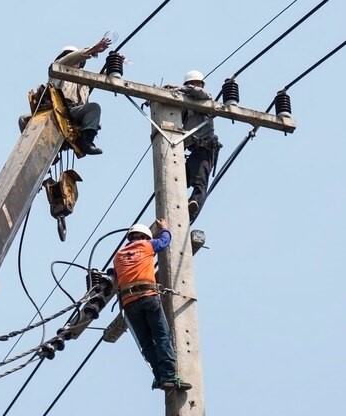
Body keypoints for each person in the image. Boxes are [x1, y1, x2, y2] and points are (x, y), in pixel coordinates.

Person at [113, 219, 192, 391]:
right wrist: (164, 228)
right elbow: (164, 242)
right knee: (162, 336)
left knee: (147, 343)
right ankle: (169, 375)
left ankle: (159, 376)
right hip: (147, 296)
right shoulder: (146, 245)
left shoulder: (118, 256)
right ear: (144, 236)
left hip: (129, 303)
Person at [19, 37, 112, 155]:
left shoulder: (85, 78)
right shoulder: (58, 67)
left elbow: (104, 78)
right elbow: (70, 58)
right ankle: (37, 149)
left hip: (74, 113)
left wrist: (114, 63)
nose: (74, 59)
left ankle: (86, 142)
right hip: (56, 110)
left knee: (94, 108)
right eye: (69, 56)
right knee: (23, 119)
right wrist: (93, 50)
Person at [171, 70, 222, 220]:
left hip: (205, 150)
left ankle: (193, 206)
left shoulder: (205, 99)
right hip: (192, 152)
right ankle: (176, 208)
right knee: (176, 180)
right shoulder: (185, 107)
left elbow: (200, 93)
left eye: (196, 83)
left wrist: (178, 88)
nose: (194, 86)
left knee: (200, 183)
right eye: (191, 83)